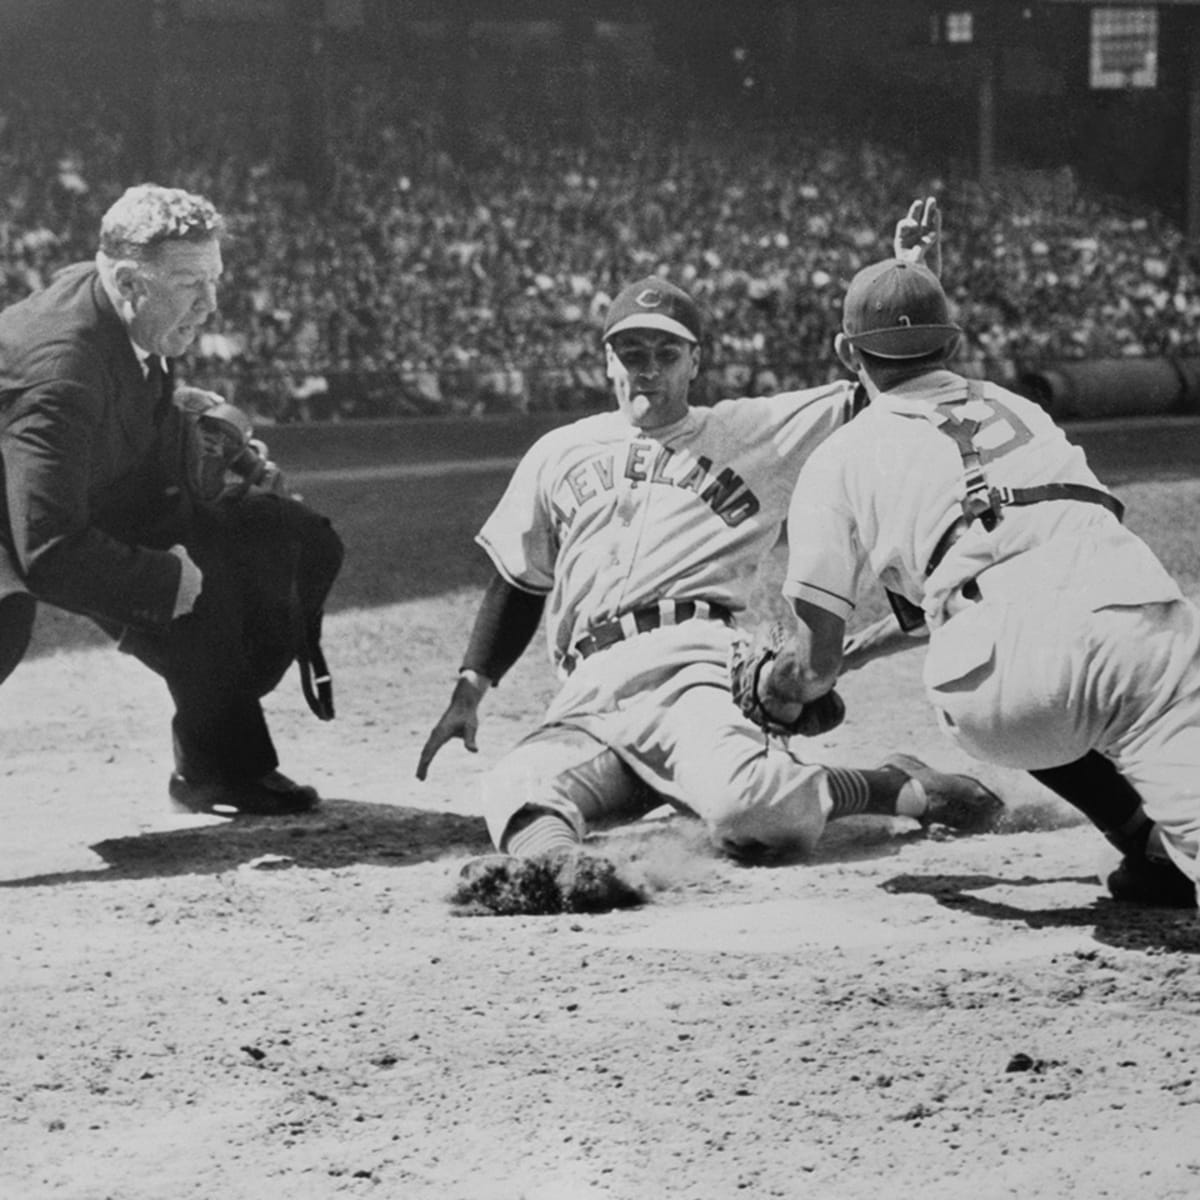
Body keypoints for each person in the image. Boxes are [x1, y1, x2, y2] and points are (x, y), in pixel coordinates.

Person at [416, 239, 1004, 906]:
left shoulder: (747, 429)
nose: (648, 369)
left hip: (692, 668)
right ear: (607, 360)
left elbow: (889, 390)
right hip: (588, 691)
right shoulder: (559, 451)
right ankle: (565, 873)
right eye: (631, 353)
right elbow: (521, 581)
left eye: (667, 353)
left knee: (760, 816)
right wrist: (470, 687)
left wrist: (910, 288)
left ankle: (890, 783)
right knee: (515, 784)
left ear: (696, 361)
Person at [767, 203, 1199, 908]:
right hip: (1137, 621)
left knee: (1019, 663)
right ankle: (1169, 838)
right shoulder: (1022, 408)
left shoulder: (838, 457)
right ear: (956, 344)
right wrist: (914, 280)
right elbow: (1012, 550)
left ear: (848, 354)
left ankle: (1148, 850)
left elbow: (812, 664)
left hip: (1004, 691)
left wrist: (783, 692)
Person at [0, 184, 343, 817]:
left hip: (66, 488)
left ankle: (220, 768)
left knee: (285, 537)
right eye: (192, 285)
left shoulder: (118, 301)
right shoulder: (60, 374)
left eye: (215, 280)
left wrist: (186, 453)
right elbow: (46, 550)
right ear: (131, 283)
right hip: (19, 513)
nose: (212, 304)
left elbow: (123, 389)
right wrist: (163, 580)